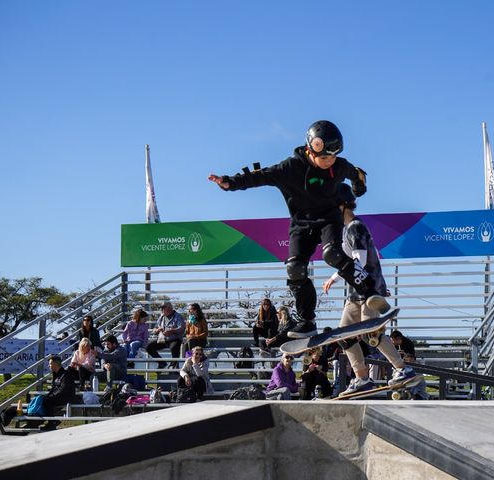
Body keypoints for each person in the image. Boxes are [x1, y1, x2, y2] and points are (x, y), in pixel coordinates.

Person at [209, 120, 390, 338]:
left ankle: (370, 291)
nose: (329, 162)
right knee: (294, 268)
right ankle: (307, 321)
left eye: (333, 157)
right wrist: (230, 182)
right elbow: (261, 176)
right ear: (310, 149)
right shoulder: (290, 168)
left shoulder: (339, 165)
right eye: (324, 158)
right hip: (301, 224)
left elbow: (356, 174)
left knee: (332, 254)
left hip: (328, 219)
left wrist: (359, 186)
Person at [322, 184, 417, 396]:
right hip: (355, 292)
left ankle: (403, 369)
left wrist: (334, 277)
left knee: (370, 334)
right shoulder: (345, 230)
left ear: (341, 206)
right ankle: (362, 378)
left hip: (369, 290)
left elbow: (360, 260)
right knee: (343, 336)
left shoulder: (356, 226)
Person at [27, 355, 77, 431]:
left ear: (55, 364)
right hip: (59, 396)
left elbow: (64, 390)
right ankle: (49, 421)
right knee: (43, 399)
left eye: (50, 364)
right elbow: (54, 389)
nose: (48, 366)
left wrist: (52, 396)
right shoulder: (56, 374)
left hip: (67, 397)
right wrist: (48, 395)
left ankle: (52, 423)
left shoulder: (65, 375)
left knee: (48, 400)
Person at [146, 302, 186, 369]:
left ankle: (174, 366)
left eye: (163, 308)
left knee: (174, 347)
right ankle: (162, 363)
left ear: (169, 308)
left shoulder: (178, 316)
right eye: (162, 308)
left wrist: (171, 331)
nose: (162, 310)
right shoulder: (161, 317)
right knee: (149, 347)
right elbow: (154, 329)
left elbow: (182, 329)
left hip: (175, 339)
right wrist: (157, 330)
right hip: (163, 340)